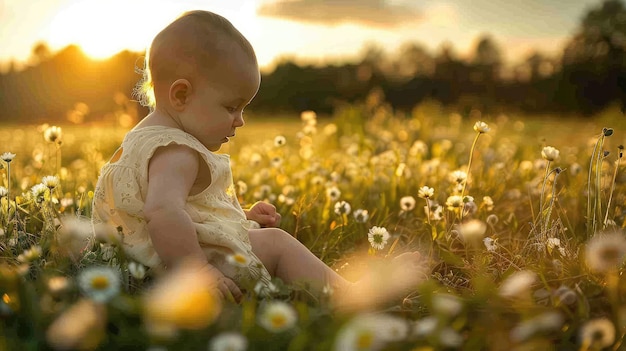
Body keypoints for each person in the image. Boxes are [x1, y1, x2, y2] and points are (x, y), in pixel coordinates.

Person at [92, 10, 423, 308]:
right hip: (179, 274)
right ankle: (350, 294)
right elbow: (162, 213)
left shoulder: (140, 139)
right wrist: (199, 272)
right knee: (277, 243)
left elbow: (176, 210)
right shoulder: (177, 150)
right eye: (231, 107)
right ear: (181, 95)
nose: (240, 120)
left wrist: (242, 216)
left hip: (136, 269)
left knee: (261, 236)